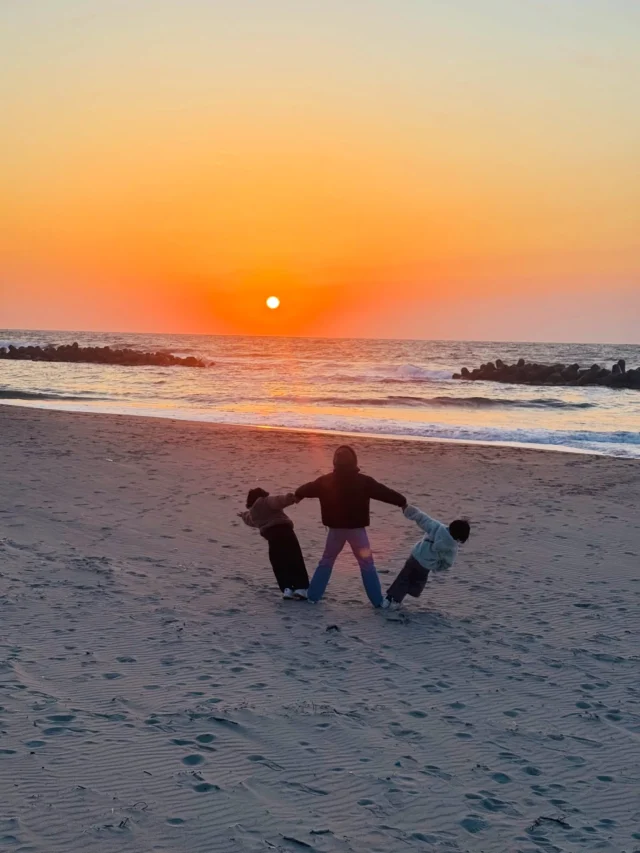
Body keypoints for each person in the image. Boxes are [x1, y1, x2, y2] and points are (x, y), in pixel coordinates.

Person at [295, 445, 406, 607]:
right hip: (356, 531)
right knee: (367, 564)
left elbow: (306, 488)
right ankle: (378, 601)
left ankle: (313, 597)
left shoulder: (325, 481)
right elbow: (384, 492)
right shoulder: (364, 481)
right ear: (354, 462)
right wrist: (401, 501)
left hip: (336, 530)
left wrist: (298, 495)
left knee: (326, 561)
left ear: (335, 462)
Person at [382, 505, 470, 610]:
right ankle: (397, 600)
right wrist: (436, 567)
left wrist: (408, 509)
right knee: (415, 582)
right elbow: (447, 563)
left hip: (415, 557)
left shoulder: (437, 528)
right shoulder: (452, 548)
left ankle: (389, 599)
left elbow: (422, 518)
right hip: (426, 566)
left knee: (403, 578)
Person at [239, 488, 309, 600]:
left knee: (278, 563)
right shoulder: (265, 501)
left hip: (272, 536)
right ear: (262, 495)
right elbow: (278, 501)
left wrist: (243, 515)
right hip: (285, 531)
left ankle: (287, 589)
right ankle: (300, 588)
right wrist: (289, 498)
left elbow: (250, 521)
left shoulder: (253, 512)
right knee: (295, 558)